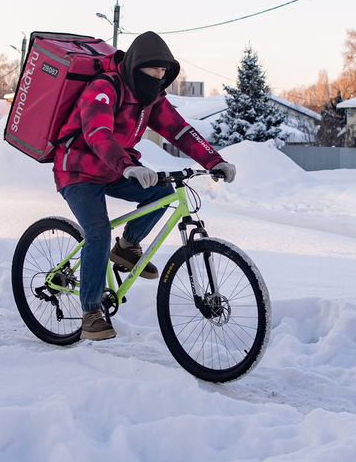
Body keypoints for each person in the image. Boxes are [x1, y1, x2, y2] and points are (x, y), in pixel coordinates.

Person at [54, 31, 236, 341]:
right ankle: (90, 312)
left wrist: (213, 160)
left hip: (116, 170)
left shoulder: (149, 98)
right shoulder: (103, 89)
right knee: (97, 232)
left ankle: (126, 248)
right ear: (136, 67)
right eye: (153, 70)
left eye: (164, 72)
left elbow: (180, 131)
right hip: (78, 170)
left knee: (163, 192)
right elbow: (99, 133)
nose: (159, 77)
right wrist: (128, 166)